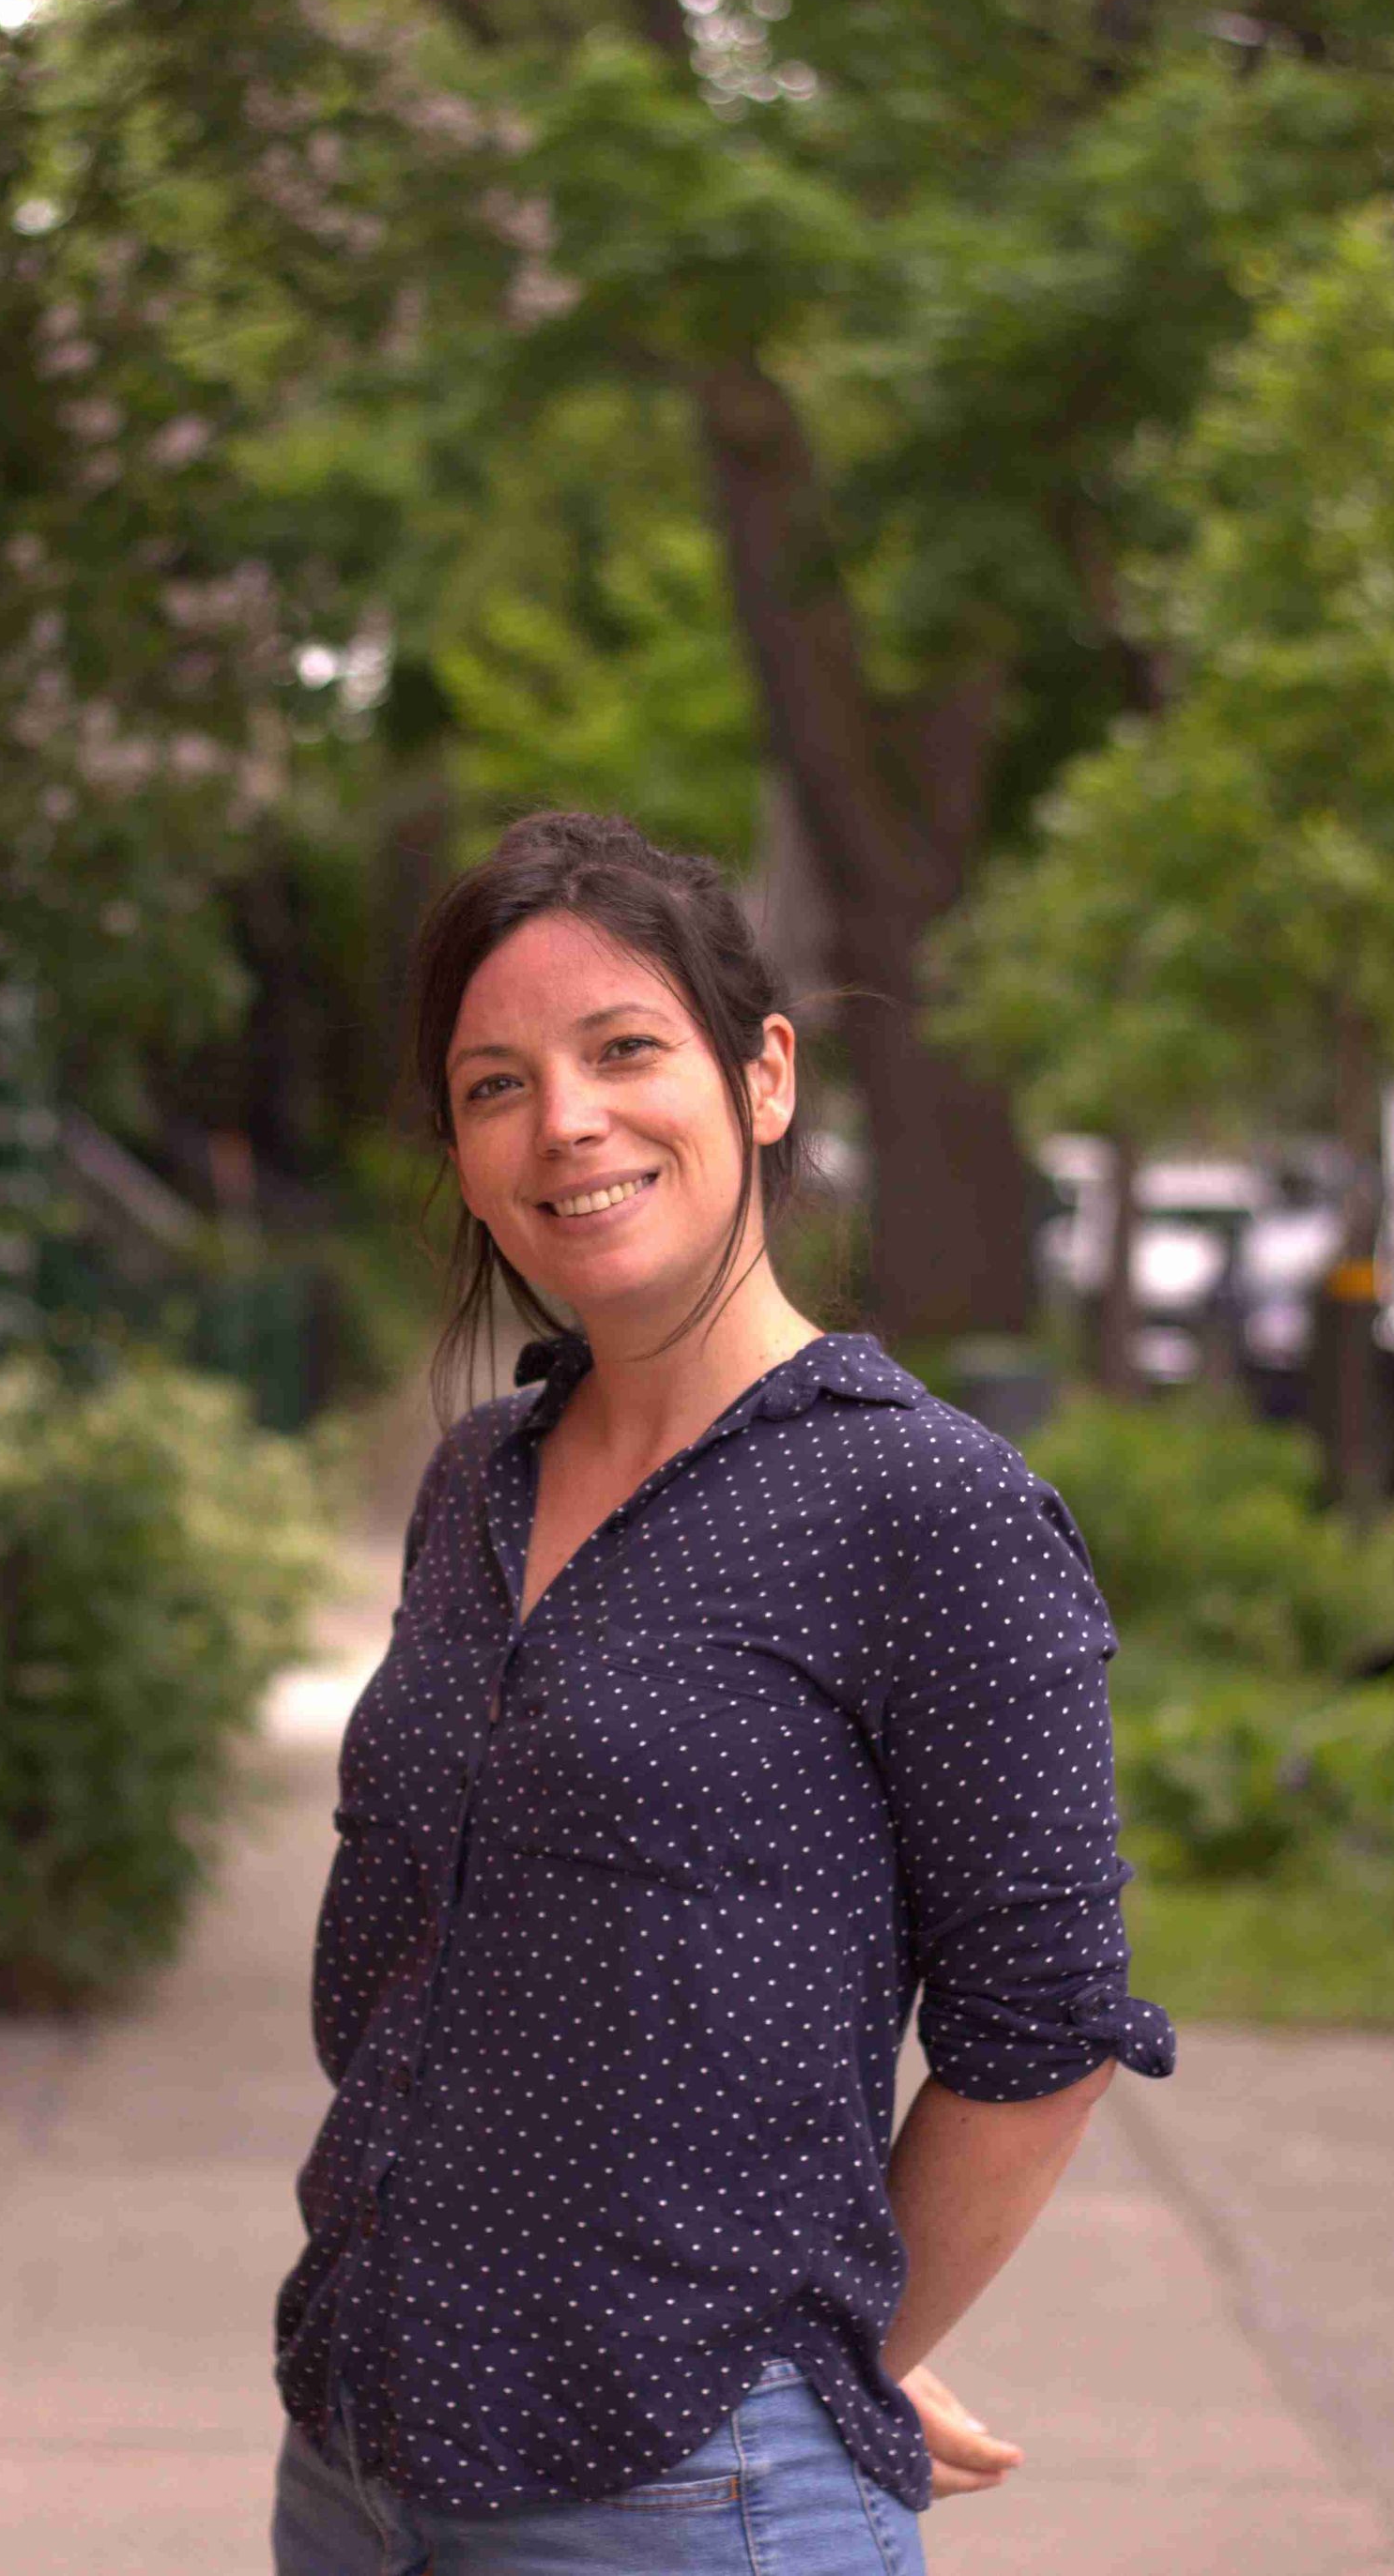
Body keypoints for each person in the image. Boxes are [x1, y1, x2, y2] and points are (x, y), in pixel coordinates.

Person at [269, 808, 1176, 2575]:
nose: (567, 1123)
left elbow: (1044, 2030)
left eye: (623, 1051)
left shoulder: (929, 1507)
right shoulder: (476, 1485)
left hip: (679, 2499)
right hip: (356, 2455)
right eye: (495, 1084)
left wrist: (840, 2352)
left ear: (761, 1076)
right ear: (460, 1154)